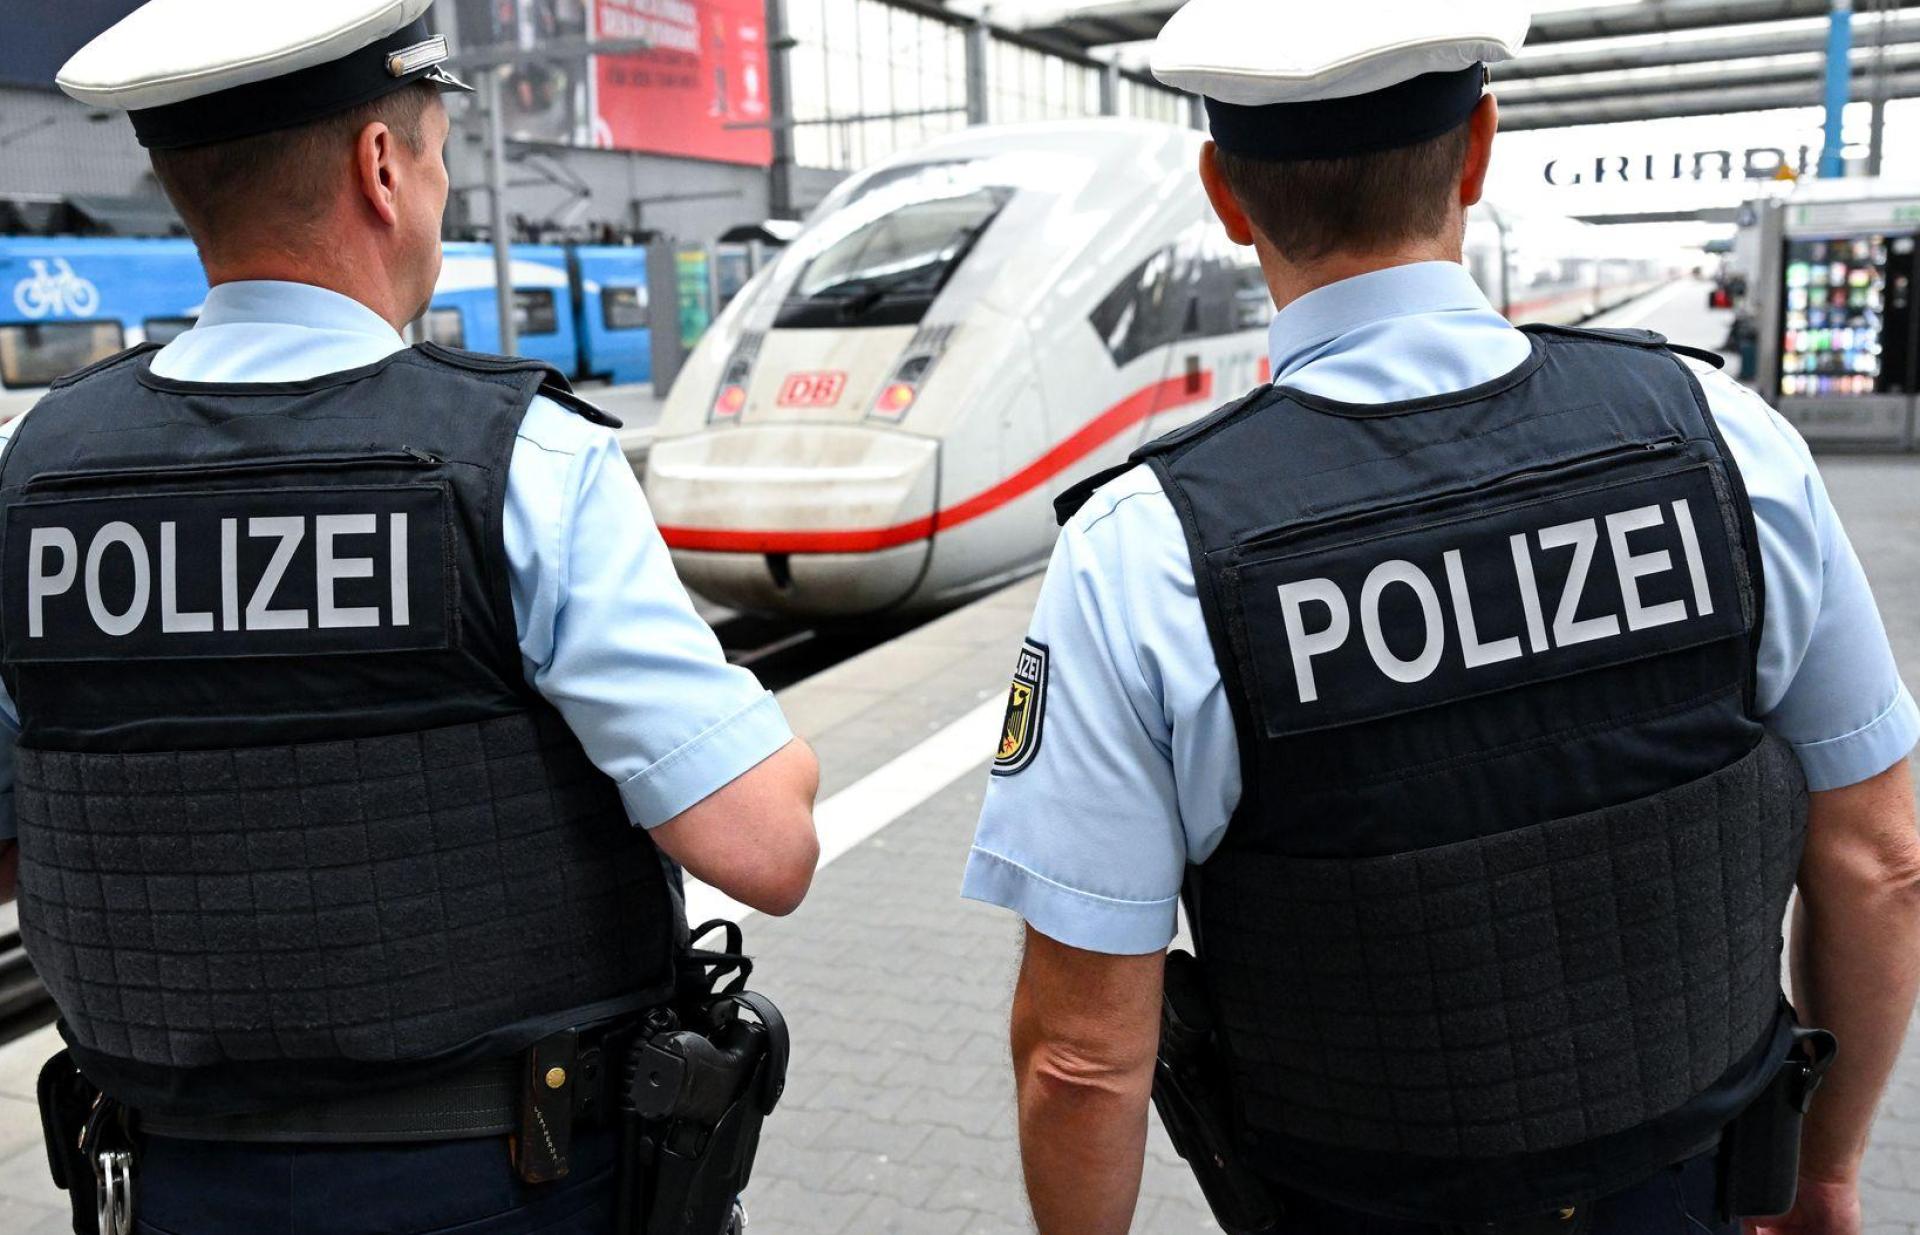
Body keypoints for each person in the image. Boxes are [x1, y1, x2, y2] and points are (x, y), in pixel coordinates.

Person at [962, 3, 1920, 1233]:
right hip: (1697, 1189)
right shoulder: (1726, 444)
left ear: (1226, 193)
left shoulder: (1144, 553)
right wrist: (1827, 1170)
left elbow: (1080, 1058)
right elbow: (1881, 858)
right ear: (1478, 147)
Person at [0, 2, 819, 1232]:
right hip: (503, 1180)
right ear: (381, 169)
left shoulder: (33, 477)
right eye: (434, 154)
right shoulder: (521, 460)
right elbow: (765, 848)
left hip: (165, 1181)